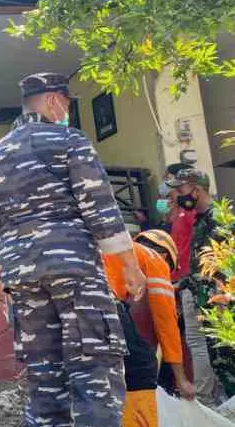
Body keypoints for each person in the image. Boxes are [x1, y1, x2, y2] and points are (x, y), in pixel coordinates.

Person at [0, 72, 145, 427]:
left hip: (21, 275)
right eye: (67, 103)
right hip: (73, 268)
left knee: (44, 373)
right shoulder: (69, 141)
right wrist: (129, 263)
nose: (66, 111)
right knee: (94, 367)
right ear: (54, 100)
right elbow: (99, 205)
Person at [103, 229, 196, 427]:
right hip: (100, 302)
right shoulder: (155, 259)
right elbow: (166, 322)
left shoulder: (118, 253)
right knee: (141, 368)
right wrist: (181, 379)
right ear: (165, 255)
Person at [169, 168, 235, 399]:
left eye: (181, 189)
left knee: (222, 353)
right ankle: (208, 401)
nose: (177, 195)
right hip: (198, 292)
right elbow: (199, 264)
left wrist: (221, 297)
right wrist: (182, 284)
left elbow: (225, 262)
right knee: (200, 346)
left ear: (196, 190)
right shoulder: (199, 219)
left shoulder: (220, 217)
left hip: (216, 298)